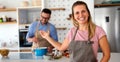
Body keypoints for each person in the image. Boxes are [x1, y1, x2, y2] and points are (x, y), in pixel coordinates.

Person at [39, 1, 110, 62]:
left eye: (83, 11)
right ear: (74, 16)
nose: (81, 15)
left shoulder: (98, 30)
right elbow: (61, 47)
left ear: (88, 13)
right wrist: (47, 37)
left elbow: (106, 55)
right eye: (77, 13)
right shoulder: (72, 31)